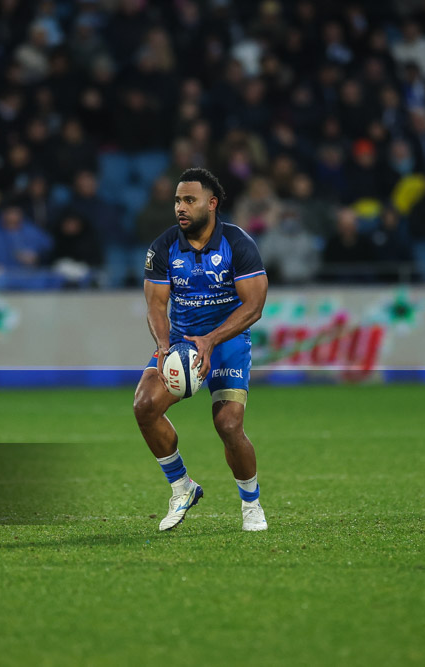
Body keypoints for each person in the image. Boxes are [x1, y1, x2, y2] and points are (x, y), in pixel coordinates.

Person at [133, 168, 269, 532]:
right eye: (178, 200)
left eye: (189, 200)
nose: (180, 207)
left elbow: (254, 306)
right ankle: (182, 486)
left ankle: (251, 504)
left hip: (226, 342)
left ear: (212, 204)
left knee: (228, 424)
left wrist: (211, 340)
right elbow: (155, 306)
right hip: (180, 341)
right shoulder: (162, 247)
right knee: (144, 406)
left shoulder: (238, 244)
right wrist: (164, 346)